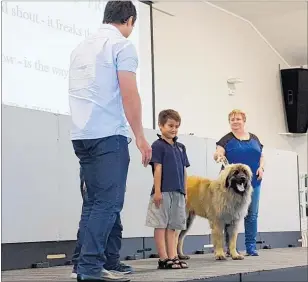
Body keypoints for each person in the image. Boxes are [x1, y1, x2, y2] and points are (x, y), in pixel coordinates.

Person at [68, 1, 152, 281]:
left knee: (93, 203)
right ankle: (90, 270)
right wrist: (140, 136)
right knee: (107, 204)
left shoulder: (81, 46)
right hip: (108, 136)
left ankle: (82, 265)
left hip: (82, 135)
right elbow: (129, 94)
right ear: (129, 20)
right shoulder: (122, 46)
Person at [214, 109, 265, 257]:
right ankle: (227, 248)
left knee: (252, 214)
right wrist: (218, 155)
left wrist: (261, 167)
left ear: (244, 121)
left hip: (252, 182)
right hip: (230, 186)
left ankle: (251, 247)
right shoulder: (226, 139)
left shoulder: (254, 138)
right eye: (232, 119)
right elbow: (218, 152)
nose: (235, 121)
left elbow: (261, 156)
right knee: (226, 216)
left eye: (238, 119)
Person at [145, 109, 190, 270]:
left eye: (177, 126)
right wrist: (157, 191)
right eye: (170, 125)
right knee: (161, 224)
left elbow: (184, 170)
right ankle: (163, 258)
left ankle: (173, 256)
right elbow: (158, 168)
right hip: (163, 191)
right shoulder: (157, 146)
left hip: (178, 192)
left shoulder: (181, 147)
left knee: (173, 226)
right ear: (161, 125)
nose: (174, 129)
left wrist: (185, 191)